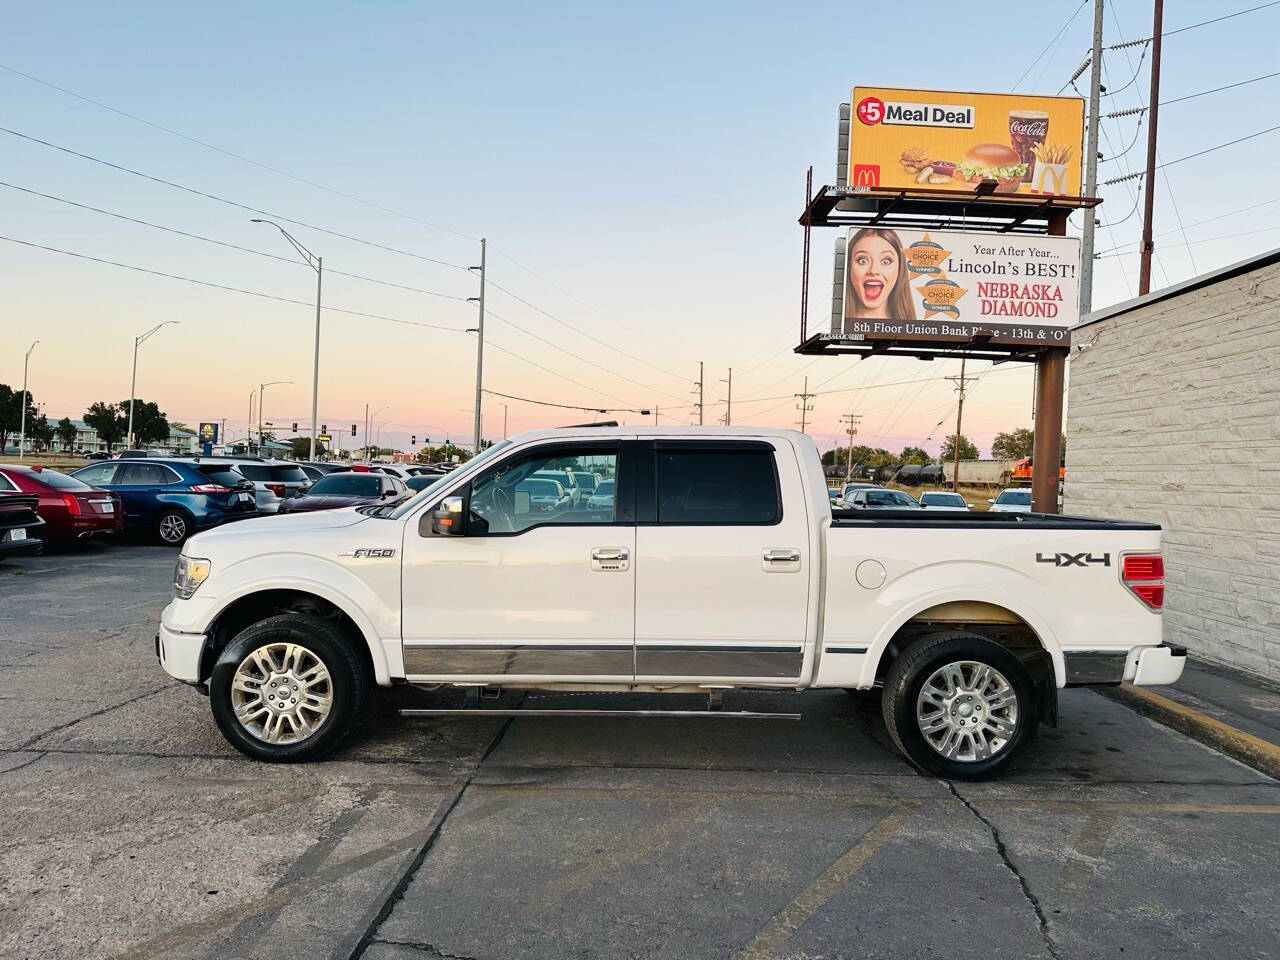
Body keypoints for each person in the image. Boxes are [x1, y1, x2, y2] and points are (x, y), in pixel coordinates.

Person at [844, 228, 916, 328]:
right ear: (849, 268)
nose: (874, 271)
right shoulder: (841, 325)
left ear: (900, 269)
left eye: (886, 261)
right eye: (862, 261)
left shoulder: (912, 330)